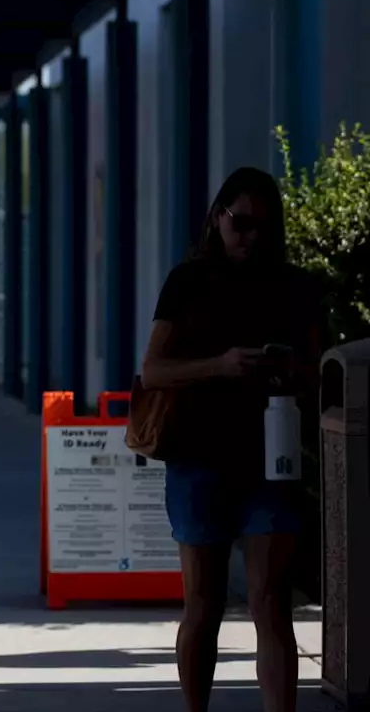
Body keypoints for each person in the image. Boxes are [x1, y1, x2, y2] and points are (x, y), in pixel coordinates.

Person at [139, 167, 320, 712]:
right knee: (203, 603)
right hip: (198, 455)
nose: (251, 237)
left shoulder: (295, 286)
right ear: (218, 217)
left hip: (272, 456)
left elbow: (321, 370)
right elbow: (153, 371)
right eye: (241, 223)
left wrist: (292, 366)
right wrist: (220, 365)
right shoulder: (188, 282)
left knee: (271, 601)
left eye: (263, 227)